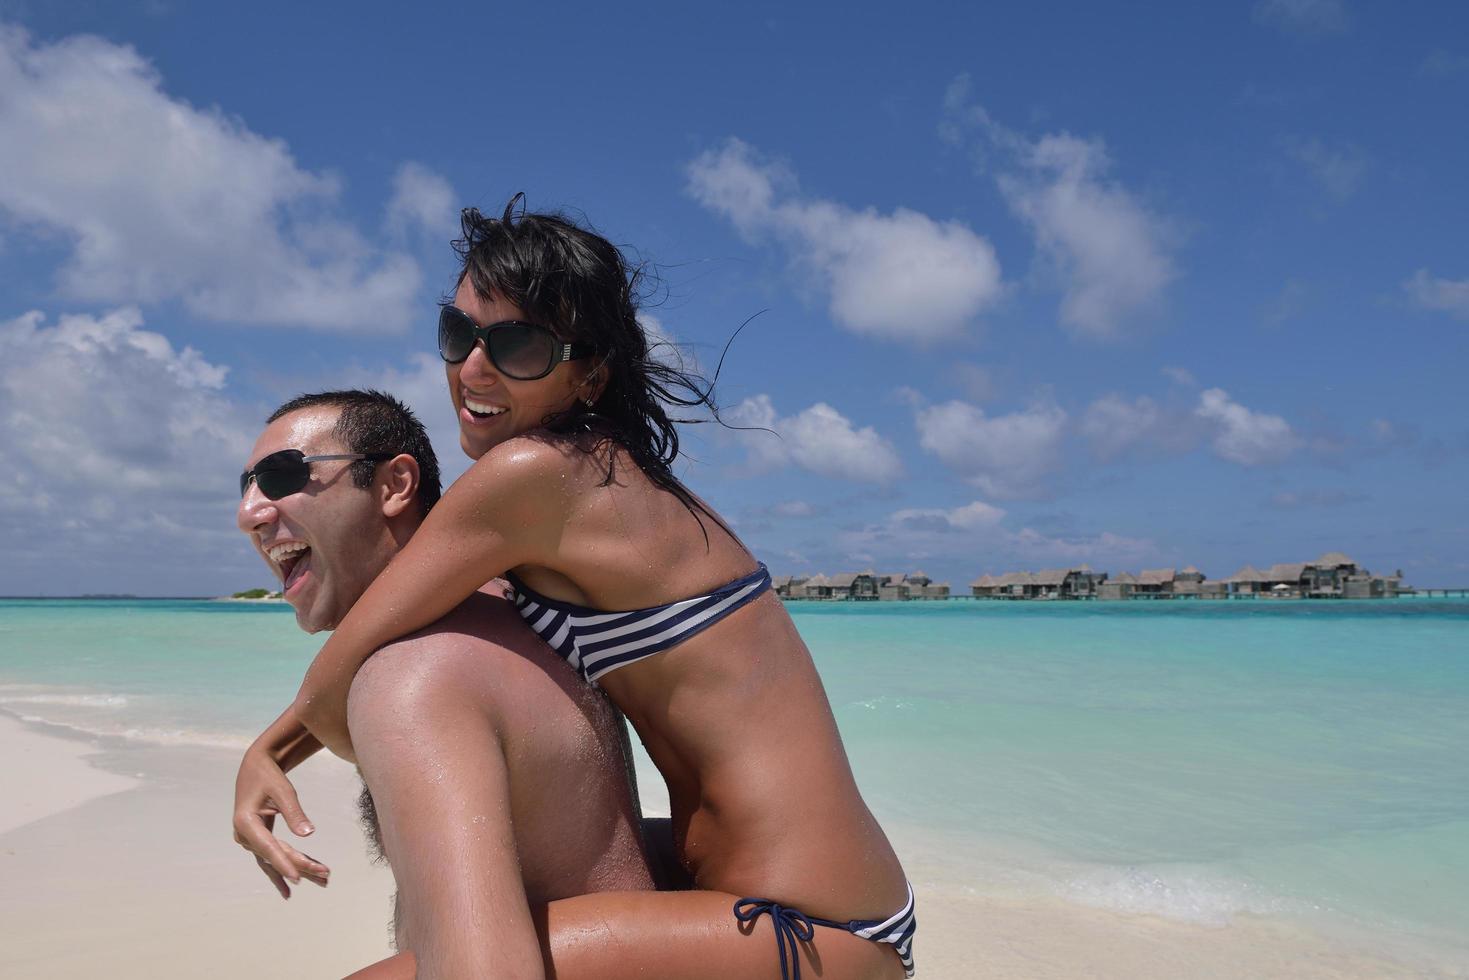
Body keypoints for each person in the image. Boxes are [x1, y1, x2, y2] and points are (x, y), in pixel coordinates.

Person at [237, 198, 916, 980]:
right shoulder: (591, 475)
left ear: (589, 372)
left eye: (517, 343)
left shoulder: (535, 478)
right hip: (770, 892)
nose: (473, 369)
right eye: (458, 335)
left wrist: (268, 753)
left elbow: (344, 668)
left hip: (809, 923)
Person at [232, 389, 656, 974]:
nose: (249, 513)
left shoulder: (412, 678)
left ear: (393, 486)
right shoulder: (510, 608)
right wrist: (271, 748)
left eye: (282, 476)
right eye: (245, 485)